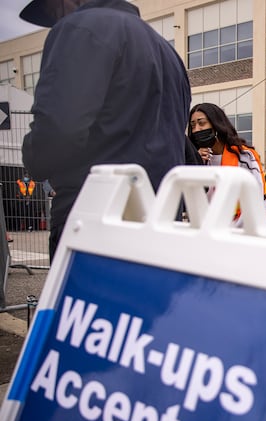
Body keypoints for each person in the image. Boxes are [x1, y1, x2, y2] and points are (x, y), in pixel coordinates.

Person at [20, 0, 190, 259]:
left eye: (53, 12)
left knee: (86, 298)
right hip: (160, 218)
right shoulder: (168, 52)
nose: (57, 20)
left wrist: (34, 158)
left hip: (95, 215)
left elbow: (59, 130)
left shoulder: (81, 28)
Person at [188, 103, 266, 231]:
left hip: (257, 219)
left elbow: (256, 194)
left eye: (201, 123)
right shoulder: (197, 158)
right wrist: (196, 162)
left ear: (216, 125)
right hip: (221, 225)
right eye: (193, 125)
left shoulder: (244, 155)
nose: (196, 129)